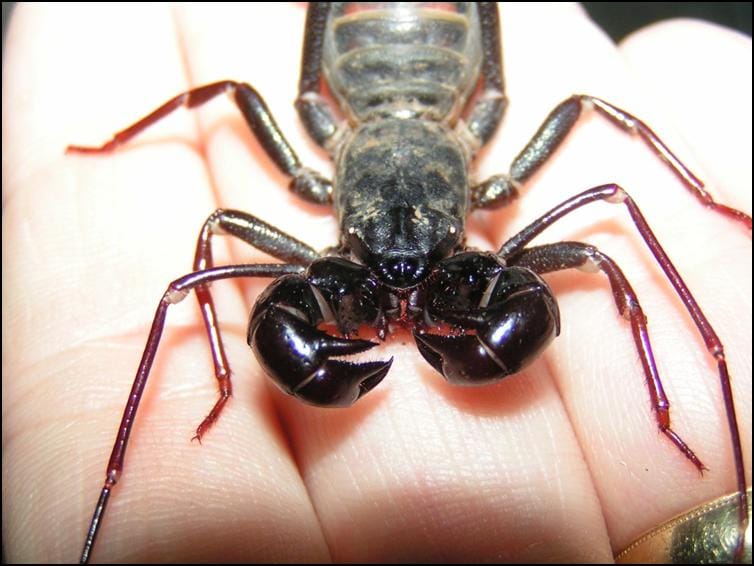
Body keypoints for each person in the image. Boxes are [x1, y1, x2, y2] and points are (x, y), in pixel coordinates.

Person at [3, 3, 750, 562]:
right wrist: (224, 377)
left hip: (417, 99)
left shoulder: (475, 154)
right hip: (373, 107)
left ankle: (665, 406)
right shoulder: (326, 167)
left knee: (607, 217)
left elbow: (604, 196)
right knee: (208, 224)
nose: (402, 291)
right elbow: (210, 236)